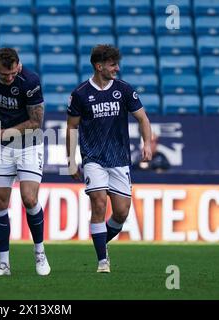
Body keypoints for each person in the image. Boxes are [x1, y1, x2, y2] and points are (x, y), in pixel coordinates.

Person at [66, 44, 152, 273]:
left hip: (119, 158)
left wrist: (147, 144)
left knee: (122, 212)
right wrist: (71, 160)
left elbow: (143, 119)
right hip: (93, 159)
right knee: (99, 203)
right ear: (99, 65)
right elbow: (72, 127)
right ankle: (102, 261)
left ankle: (101, 240)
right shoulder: (81, 94)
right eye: (113, 64)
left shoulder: (123, 90)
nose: (117, 68)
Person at [0, 48, 51, 276]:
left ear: (19, 65)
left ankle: (40, 253)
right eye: (4, 75)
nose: (9, 78)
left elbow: (36, 122)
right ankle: (3, 263)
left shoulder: (30, 81)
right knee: (0, 203)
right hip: (1, 147)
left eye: (13, 73)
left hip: (29, 144)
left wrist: (2, 133)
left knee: (30, 199)